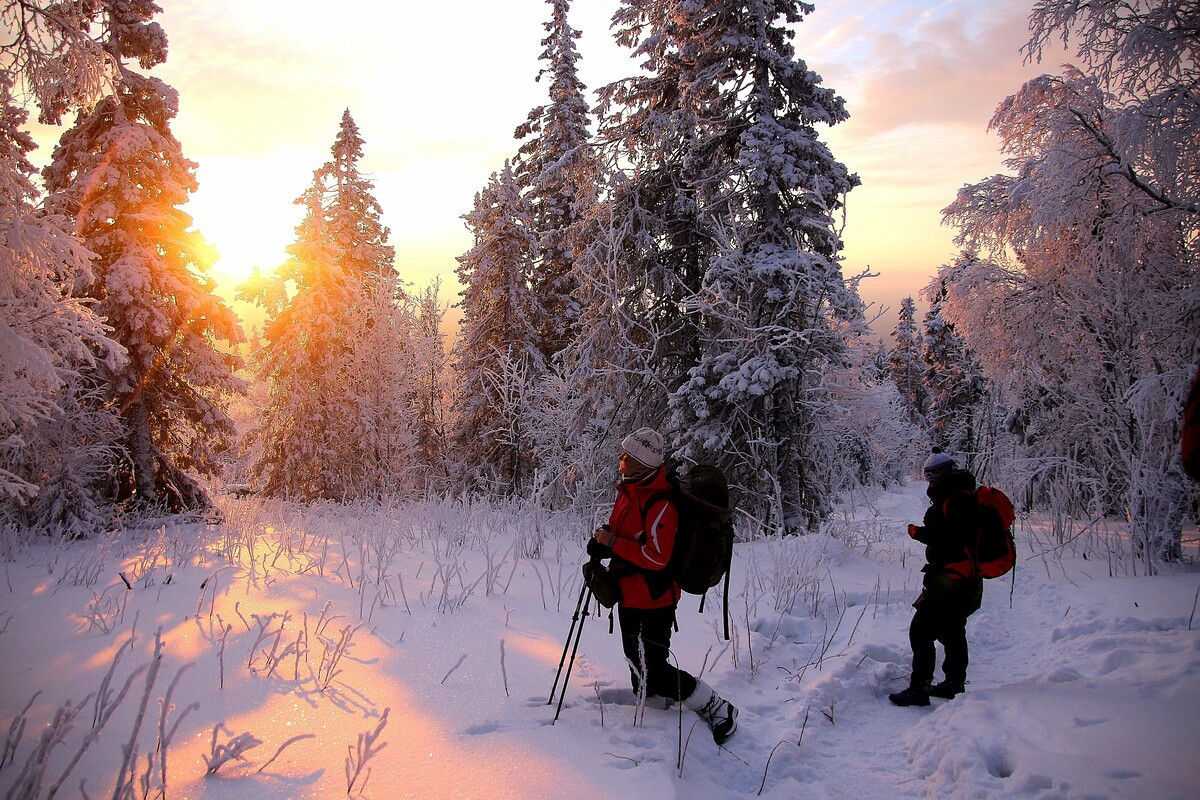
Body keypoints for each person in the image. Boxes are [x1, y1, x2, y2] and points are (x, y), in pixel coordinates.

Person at [589, 427, 739, 744]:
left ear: (641, 462)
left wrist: (614, 542)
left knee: (655, 669)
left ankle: (716, 706)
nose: (621, 459)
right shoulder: (630, 491)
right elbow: (627, 534)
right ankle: (655, 717)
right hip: (630, 595)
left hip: (654, 601)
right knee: (635, 660)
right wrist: (605, 539)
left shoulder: (661, 505)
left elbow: (657, 558)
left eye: (626, 456)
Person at [889, 451, 985, 707]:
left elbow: (949, 537)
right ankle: (953, 683)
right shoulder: (962, 494)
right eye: (926, 474)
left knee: (920, 630)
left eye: (931, 474)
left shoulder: (956, 500)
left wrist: (920, 533)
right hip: (965, 578)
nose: (928, 479)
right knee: (953, 630)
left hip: (951, 578)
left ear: (942, 474)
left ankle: (919, 689)